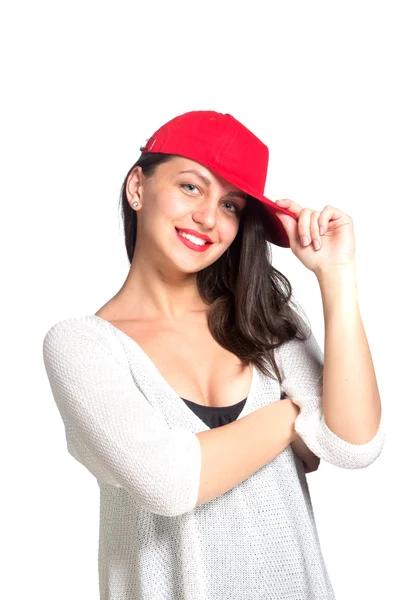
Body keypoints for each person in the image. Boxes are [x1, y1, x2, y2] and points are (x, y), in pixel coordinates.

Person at [42, 110, 386, 600]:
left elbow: (354, 445)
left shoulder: (261, 316)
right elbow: (168, 482)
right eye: (190, 187)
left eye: (230, 205)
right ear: (137, 186)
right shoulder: (81, 345)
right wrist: (296, 413)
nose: (208, 218)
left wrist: (336, 276)